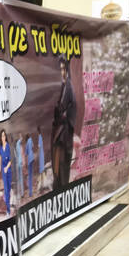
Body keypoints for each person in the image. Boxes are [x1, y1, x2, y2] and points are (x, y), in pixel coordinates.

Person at [52, 55, 76, 190]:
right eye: (60, 69)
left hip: (65, 133)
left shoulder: (69, 86)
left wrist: (61, 114)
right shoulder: (64, 85)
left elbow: (64, 109)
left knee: (62, 163)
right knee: (58, 162)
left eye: (63, 69)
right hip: (61, 131)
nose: (62, 72)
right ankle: (59, 187)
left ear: (67, 69)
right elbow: (59, 110)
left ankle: (62, 189)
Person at [0, 130, 13, 215]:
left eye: (4, 135)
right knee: (6, 189)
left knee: (9, 188)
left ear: (5, 137)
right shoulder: (1, 148)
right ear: (0, 138)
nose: (3, 137)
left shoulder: (8, 146)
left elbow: (11, 160)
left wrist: (7, 168)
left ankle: (8, 200)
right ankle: (8, 210)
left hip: (8, 169)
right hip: (4, 170)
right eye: (1, 136)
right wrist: (0, 166)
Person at [15, 133, 24, 200]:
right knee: (21, 179)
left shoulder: (16, 147)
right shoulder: (18, 145)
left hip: (18, 164)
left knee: (18, 179)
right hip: (20, 163)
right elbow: (21, 139)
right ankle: (22, 194)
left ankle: (20, 194)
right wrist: (20, 135)